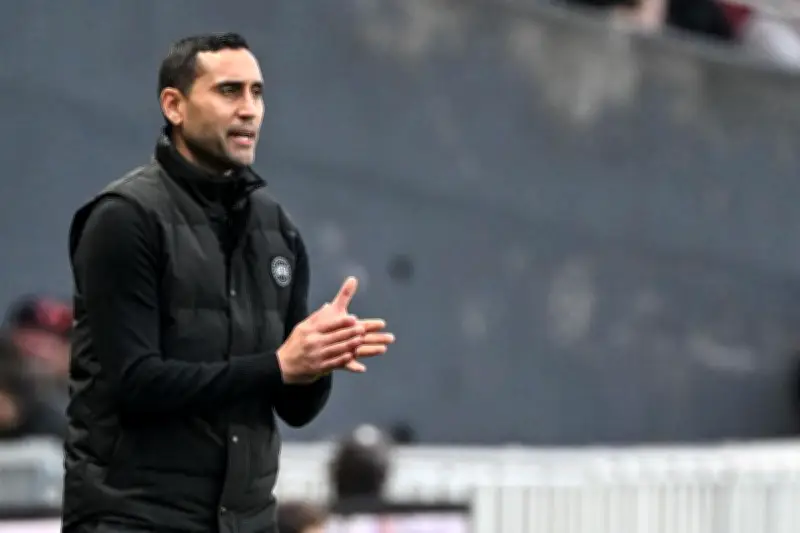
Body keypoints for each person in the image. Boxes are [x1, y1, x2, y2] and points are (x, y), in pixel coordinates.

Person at [62, 32, 395, 533]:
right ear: (174, 106)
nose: (248, 109)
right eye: (229, 91)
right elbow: (135, 383)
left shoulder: (277, 229)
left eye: (257, 93)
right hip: (135, 518)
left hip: (245, 521)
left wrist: (316, 361)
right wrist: (279, 365)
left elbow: (294, 407)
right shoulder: (124, 218)